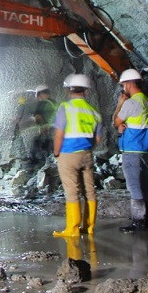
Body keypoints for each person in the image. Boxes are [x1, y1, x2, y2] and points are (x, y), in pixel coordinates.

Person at [52, 74, 102, 238]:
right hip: (87, 154)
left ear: (68, 90)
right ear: (86, 92)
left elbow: (59, 134)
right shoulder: (94, 112)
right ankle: (89, 227)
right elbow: (98, 139)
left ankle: (72, 229)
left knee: (72, 192)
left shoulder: (65, 108)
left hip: (68, 154)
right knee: (90, 190)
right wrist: (88, 148)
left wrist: (56, 152)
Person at [113, 68, 148, 232]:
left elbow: (116, 122)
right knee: (144, 184)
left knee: (134, 185)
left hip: (132, 148)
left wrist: (120, 103)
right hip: (143, 148)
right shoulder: (146, 100)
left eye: (124, 84)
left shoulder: (131, 103)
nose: (123, 87)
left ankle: (139, 221)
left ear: (129, 84)